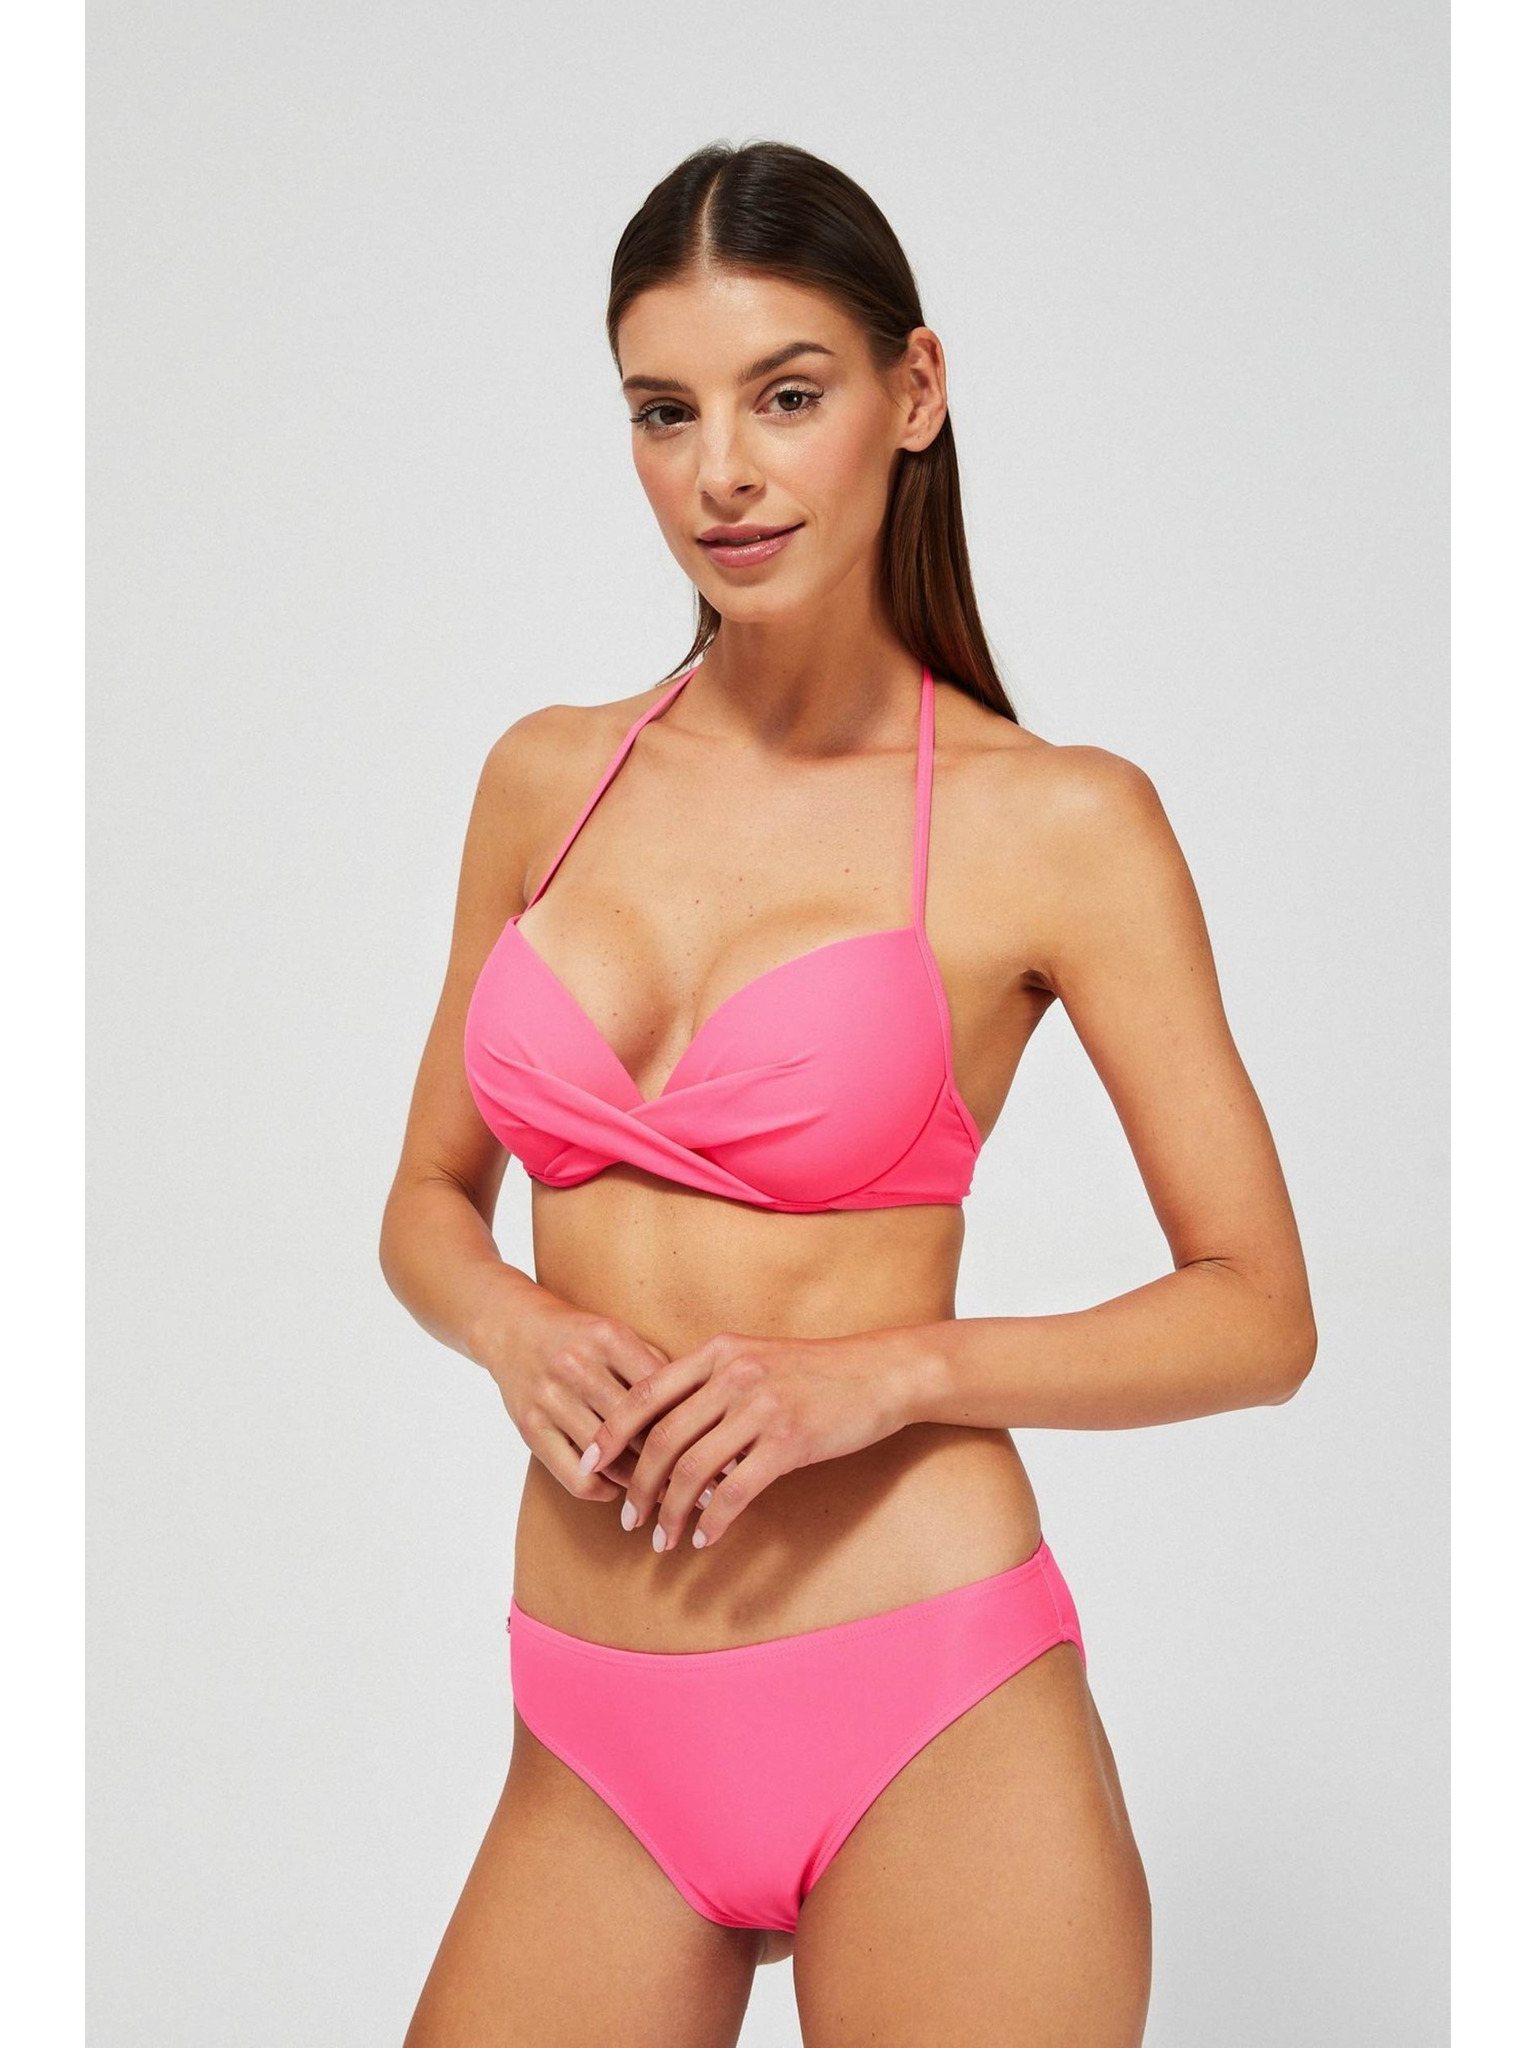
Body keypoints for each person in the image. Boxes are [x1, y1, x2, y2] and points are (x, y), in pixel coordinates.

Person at [379, 139, 1315, 2048]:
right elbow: (423, 1203)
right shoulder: (547, 780)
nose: (721, 469)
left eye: (786, 395)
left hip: (928, 1702)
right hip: (590, 1718)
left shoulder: (1058, 824)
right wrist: (511, 1328)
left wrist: (883, 1375)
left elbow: (1260, 1313)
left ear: (915, 392)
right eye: (665, 410)